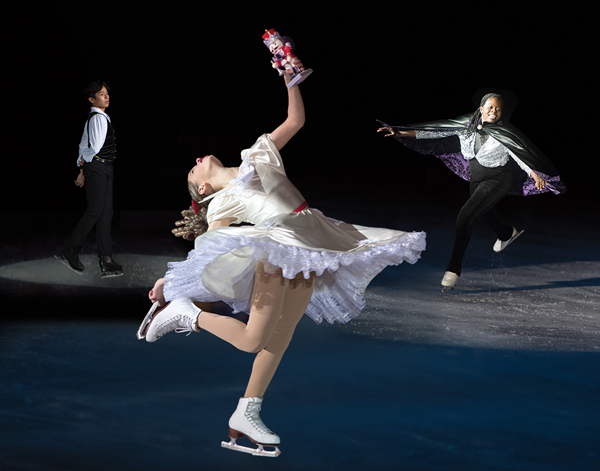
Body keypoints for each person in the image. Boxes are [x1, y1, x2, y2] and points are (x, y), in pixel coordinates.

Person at [136, 58, 426, 457]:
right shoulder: (220, 203)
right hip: (278, 245)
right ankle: (186, 314)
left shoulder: (257, 154)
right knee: (254, 339)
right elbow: (208, 249)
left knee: (281, 336)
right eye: (193, 167)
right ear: (201, 187)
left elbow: (294, 121)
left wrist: (289, 80)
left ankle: (246, 411)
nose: (199, 158)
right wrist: (171, 283)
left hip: (312, 242)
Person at [377, 92, 565, 291]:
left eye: (498, 109)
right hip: (477, 177)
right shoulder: (465, 126)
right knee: (484, 213)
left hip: (499, 177)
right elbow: (434, 132)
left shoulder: (504, 132)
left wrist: (534, 174)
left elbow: (517, 153)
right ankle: (507, 233)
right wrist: (399, 133)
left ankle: (453, 269)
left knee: (465, 217)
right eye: (490, 107)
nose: (494, 111)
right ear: (482, 108)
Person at [55, 81, 123, 278]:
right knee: (95, 210)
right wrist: (86, 168)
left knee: (105, 214)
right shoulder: (97, 118)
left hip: (102, 168)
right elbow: (93, 147)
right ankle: (71, 249)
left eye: (107, 93)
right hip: (99, 167)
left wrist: (81, 168)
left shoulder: (99, 117)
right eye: (101, 94)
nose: (106, 96)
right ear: (92, 99)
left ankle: (106, 259)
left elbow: (83, 145)